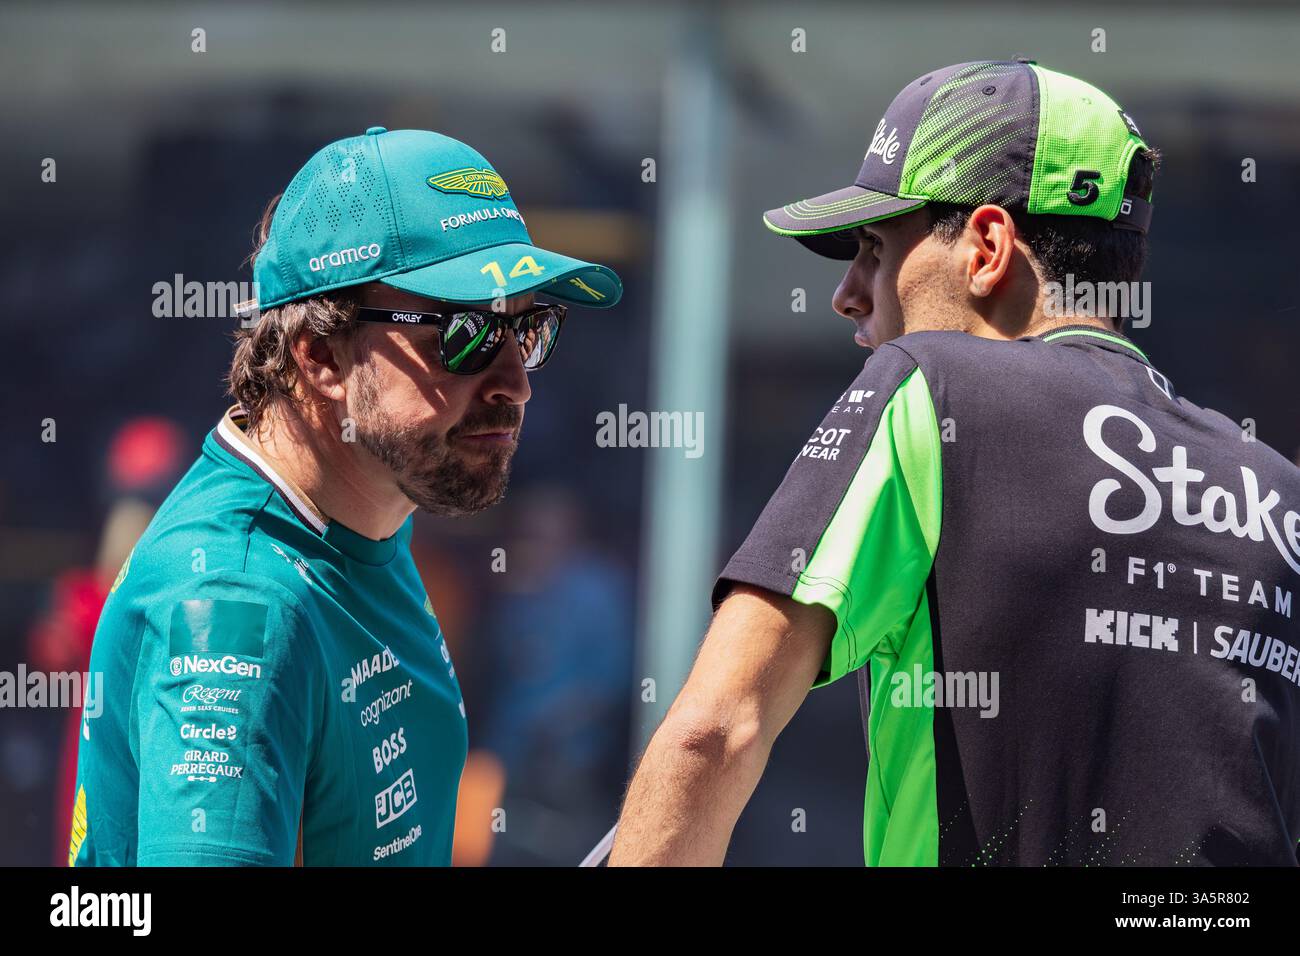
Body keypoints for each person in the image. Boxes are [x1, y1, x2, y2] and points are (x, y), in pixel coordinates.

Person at [611, 59, 1300, 866]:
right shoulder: (1276, 488)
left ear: (986, 245)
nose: (848, 294)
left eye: (874, 247)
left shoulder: (932, 387)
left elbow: (714, 731)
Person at [69, 127, 622, 866]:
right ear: (322, 355)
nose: (515, 382)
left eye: (528, 330)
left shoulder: (358, 520)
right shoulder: (238, 606)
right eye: (463, 334)